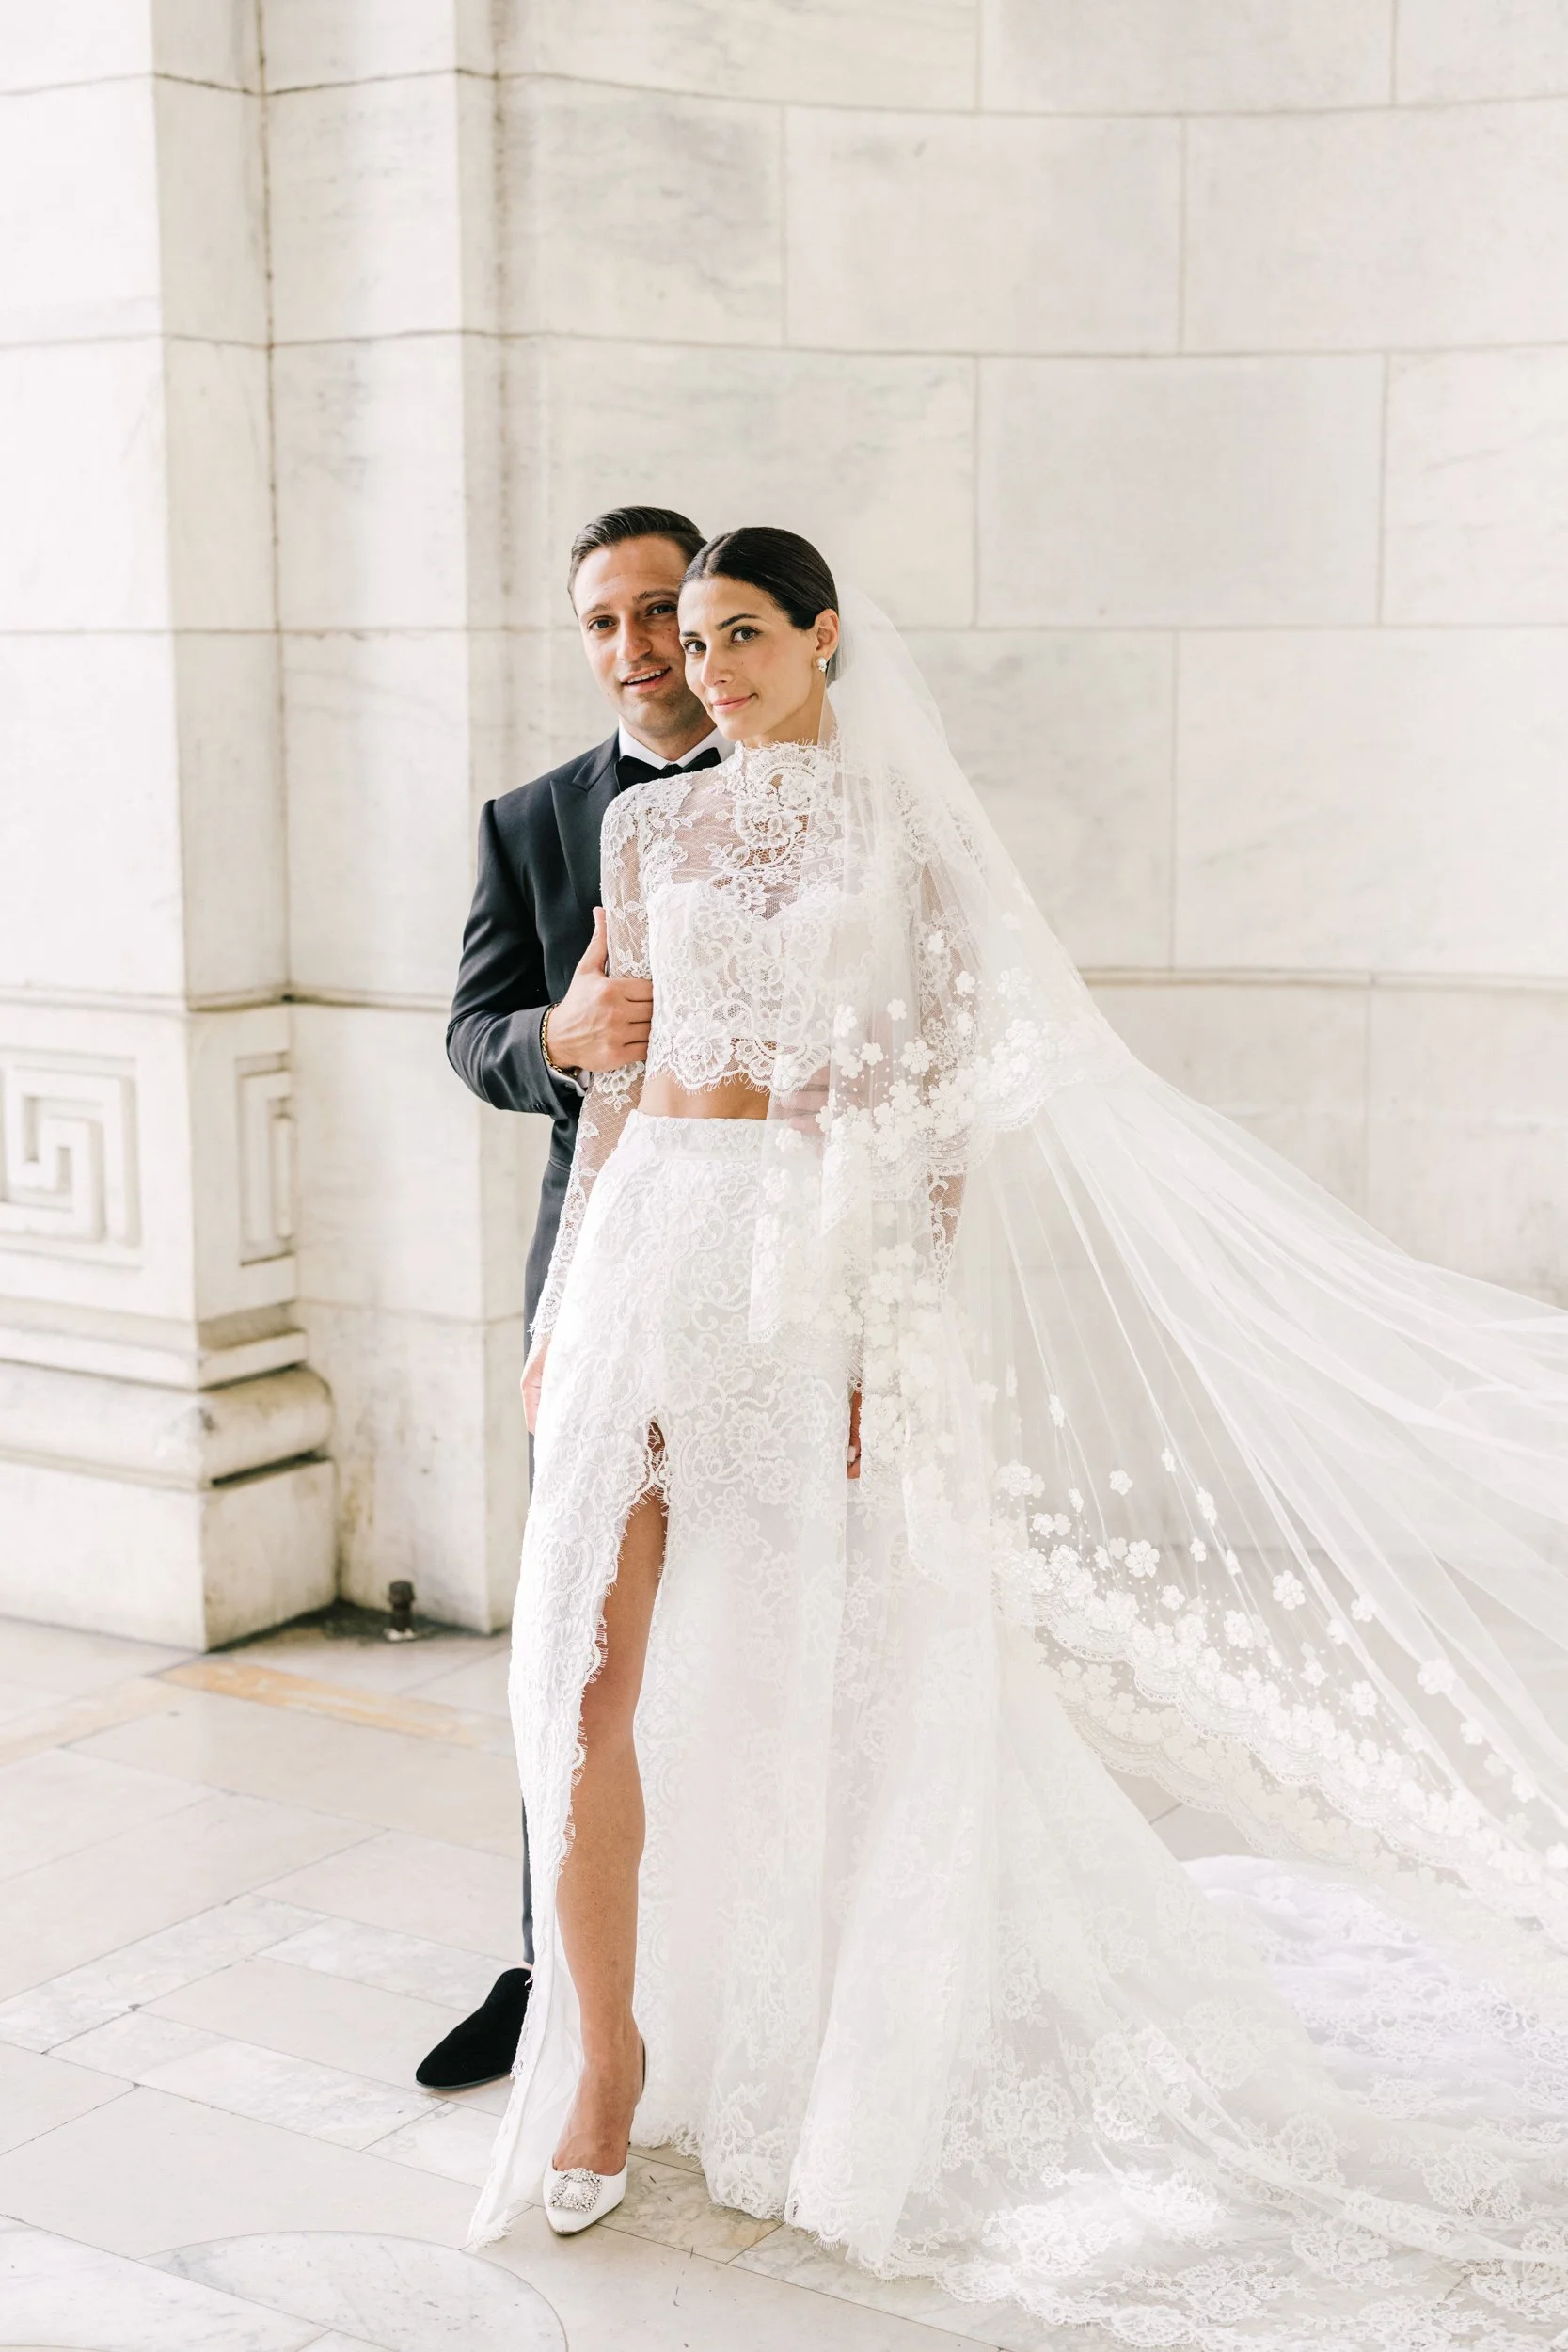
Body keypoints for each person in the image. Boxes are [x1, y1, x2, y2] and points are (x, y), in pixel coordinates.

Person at [470, 525, 1568, 2344]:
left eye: (746, 633)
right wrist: (565, 1302)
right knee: (572, 1679)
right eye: (695, 635)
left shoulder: (903, 848)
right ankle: (604, 2062)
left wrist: (870, 1344)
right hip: (648, 1245)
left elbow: (933, 1122)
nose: (712, 664)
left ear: (825, 640)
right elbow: (615, 1094)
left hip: (800, 1272)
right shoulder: (645, 829)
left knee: (815, 1668)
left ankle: (821, 2037)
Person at [419, 505, 727, 2091]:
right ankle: (550, 1974)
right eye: (603, 621)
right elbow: (470, 1031)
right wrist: (558, 1034)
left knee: (751, 1617)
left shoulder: (798, 800)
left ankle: (747, 1954)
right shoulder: (531, 817)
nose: (635, 648)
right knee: (577, 1634)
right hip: (598, 1271)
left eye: (661, 610)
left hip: (771, 1275)